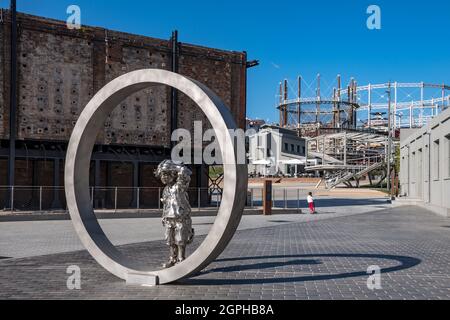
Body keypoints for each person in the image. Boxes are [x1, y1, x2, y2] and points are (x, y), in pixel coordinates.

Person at [155, 160, 195, 268]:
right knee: (170, 240)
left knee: (180, 239)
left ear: (173, 174)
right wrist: (164, 216)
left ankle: (181, 259)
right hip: (169, 218)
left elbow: (185, 174)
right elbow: (166, 205)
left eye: (167, 174)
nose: (164, 178)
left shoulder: (179, 187)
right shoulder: (166, 190)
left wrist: (174, 167)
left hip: (180, 217)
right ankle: (172, 258)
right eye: (162, 175)